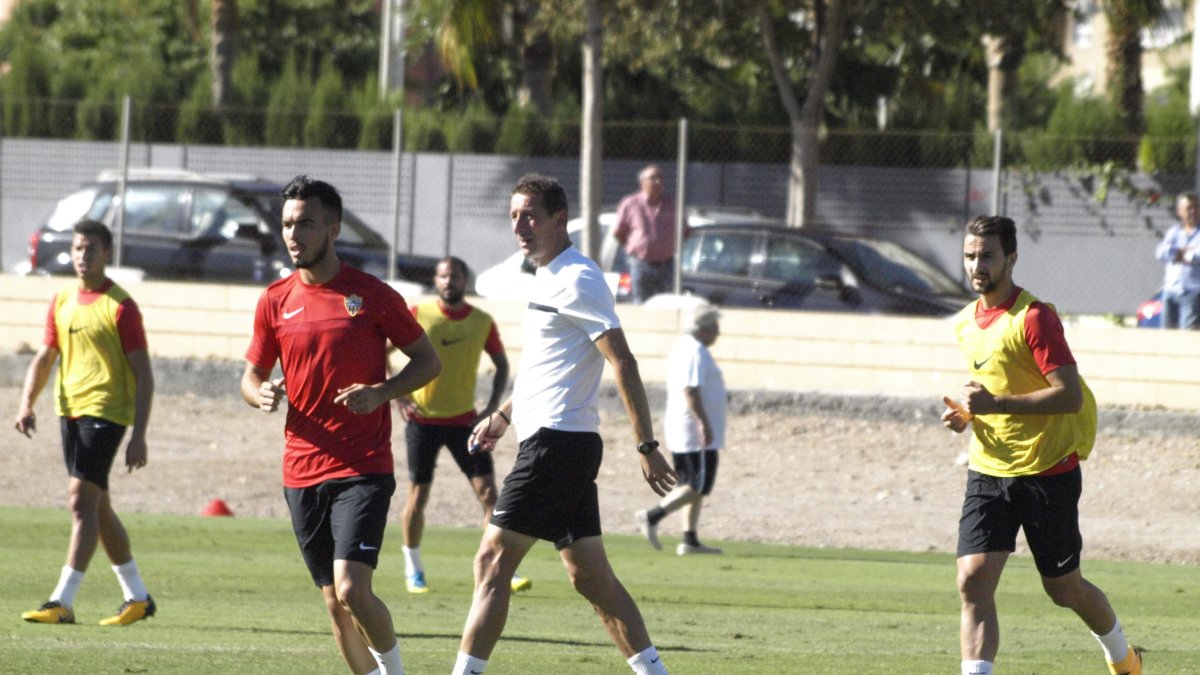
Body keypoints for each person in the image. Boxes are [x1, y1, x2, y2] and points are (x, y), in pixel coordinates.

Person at [450, 173, 677, 675]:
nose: (519, 226)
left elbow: (623, 362)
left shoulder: (579, 276)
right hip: (558, 443)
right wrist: (505, 414)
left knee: (491, 562)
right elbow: (545, 365)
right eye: (513, 216)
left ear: (560, 219)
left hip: (557, 445)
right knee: (590, 578)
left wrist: (647, 445)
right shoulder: (549, 275)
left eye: (530, 215)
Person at [241, 175, 441, 675]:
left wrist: (381, 392)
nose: (293, 233)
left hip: (363, 466)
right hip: (301, 470)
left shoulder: (370, 295)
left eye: (305, 223)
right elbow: (251, 375)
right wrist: (259, 393)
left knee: (353, 587)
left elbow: (427, 362)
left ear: (332, 228)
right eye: (287, 223)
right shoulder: (274, 300)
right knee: (334, 603)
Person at [941, 215, 1141, 675]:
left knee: (1064, 589)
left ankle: (1124, 659)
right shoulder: (965, 323)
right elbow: (991, 388)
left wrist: (996, 404)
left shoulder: (1034, 318)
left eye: (987, 256)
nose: (977, 265)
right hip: (990, 468)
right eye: (970, 255)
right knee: (972, 581)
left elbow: (1068, 395)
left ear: (1011, 258)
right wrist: (969, 414)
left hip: (1048, 470)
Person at [15, 219, 157, 626]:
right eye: (78, 248)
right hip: (69, 412)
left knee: (80, 501)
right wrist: (26, 403)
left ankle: (62, 600)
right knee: (98, 505)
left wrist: (139, 435)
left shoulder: (121, 306)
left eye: (92, 248)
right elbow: (44, 358)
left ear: (107, 253)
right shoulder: (62, 300)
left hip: (107, 413)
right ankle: (137, 596)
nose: (83, 255)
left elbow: (144, 374)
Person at [395, 256, 530, 595]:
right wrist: (398, 395)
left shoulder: (481, 321)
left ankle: (501, 568)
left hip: (464, 422)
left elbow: (501, 366)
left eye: (455, 275)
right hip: (422, 421)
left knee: (489, 495)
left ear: (464, 280)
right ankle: (414, 569)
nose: (449, 281)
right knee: (418, 495)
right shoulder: (419, 314)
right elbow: (381, 351)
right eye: (443, 275)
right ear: (435, 280)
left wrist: (490, 408)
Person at [635, 302, 726, 556]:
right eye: (715, 327)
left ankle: (690, 538)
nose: (718, 333)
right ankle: (652, 516)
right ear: (705, 329)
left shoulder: (686, 348)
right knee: (698, 484)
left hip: (688, 425)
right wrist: (704, 423)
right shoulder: (694, 350)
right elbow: (691, 390)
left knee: (692, 483)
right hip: (693, 428)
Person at [613, 164, 685, 304]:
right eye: (653, 178)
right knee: (640, 303)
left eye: (660, 178)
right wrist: (633, 247)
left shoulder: (672, 204)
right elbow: (618, 232)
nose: (658, 182)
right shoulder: (630, 203)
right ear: (642, 182)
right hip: (641, 265)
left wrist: (669, 246)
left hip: (667, 266)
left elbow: (685, 231)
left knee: (668, 304)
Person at [1154, 192, 1200, 329]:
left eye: (1196, 207)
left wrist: (1178, 254)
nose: (1193, 211)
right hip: (1171, 290)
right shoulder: (1174, 232)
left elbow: (1196, 256)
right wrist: (1184, 253)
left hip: (1192, 292)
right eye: (1189, 208)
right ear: (1179, 211)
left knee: (1187, 336)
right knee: (1167, 334)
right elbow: (1161, 252)